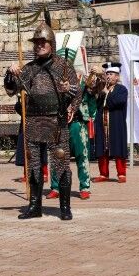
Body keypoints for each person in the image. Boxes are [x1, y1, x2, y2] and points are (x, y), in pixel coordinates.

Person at [3, 23, 79, 221]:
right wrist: (11, 74)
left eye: (43, 42)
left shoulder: (64, 66)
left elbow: (77, 91)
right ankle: (35, 206)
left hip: (57, 119)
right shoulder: (28, 69)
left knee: (61, 162)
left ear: (51, 44)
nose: (39, 45)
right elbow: (11, 90)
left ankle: (64, 207)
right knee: (34, 165)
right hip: (33, 121)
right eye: (36, 42)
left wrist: (69, 100)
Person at [52, 52, 92, 201]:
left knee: (82, 156)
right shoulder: (54, 82)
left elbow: (92, 91)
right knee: (58, 156)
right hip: (60, 124)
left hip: (77, 123)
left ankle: (85, 187)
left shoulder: (82, 81)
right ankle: (56, 187)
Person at [90, 62, 129, 183]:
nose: (108, 76)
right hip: (102, 123)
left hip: (116, 123)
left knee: (118, 147)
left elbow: (118, 102)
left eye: (111, 74)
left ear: (117, 76)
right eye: (107, 74)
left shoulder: (122, 89)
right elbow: (95, 103)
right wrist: (100, 92)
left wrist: (108, 94)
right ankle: (103, 174)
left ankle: (121, 173)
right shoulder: (102, 89)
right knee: (102, 148)